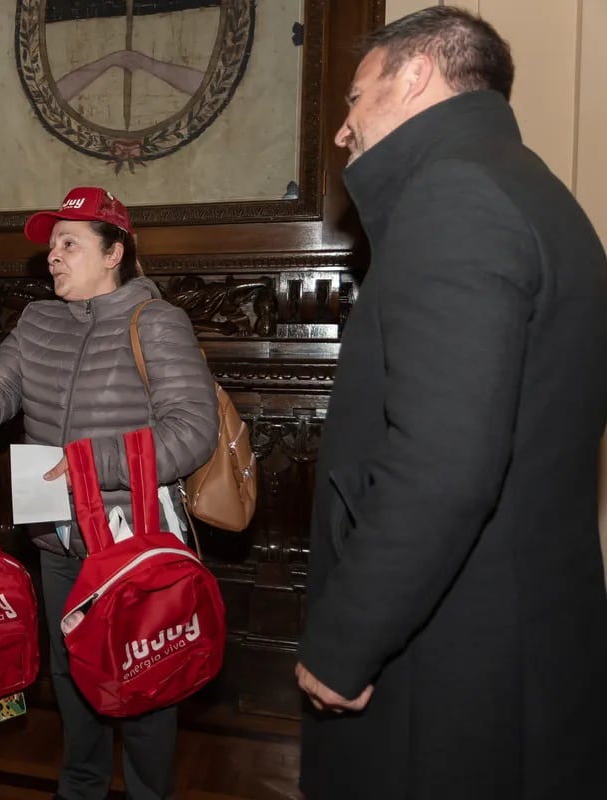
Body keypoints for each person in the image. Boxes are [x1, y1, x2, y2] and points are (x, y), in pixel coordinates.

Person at [295, 8, 607, 799]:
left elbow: (444, 465)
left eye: (356, 98)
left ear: (415, 74)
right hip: (519, 642)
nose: (343, 131)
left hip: (449, 667)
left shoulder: (453, 197)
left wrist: (344, 640)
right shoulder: (535, 190)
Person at [0, 186, 218, 800]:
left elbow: (193, 433)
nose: (52, 255)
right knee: (73, 677)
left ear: (114, 253)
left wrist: (90, 463)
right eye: (51, 245)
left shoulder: (155, 322)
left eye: (69, 242)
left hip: (134, 542)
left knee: (142, 681)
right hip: (59, 541)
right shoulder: (37, 321)